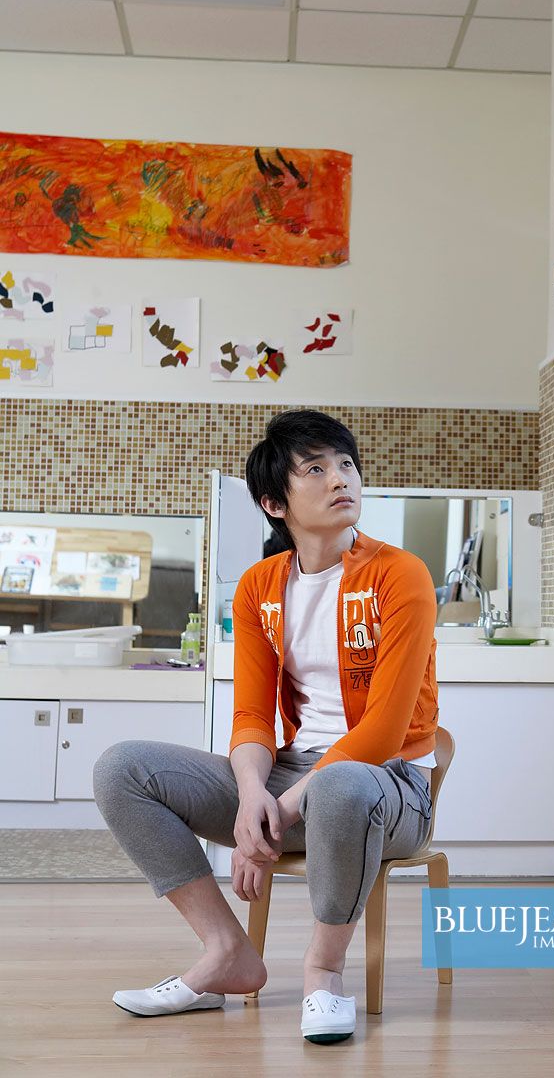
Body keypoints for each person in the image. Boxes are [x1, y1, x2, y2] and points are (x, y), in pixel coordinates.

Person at [93, 409, 439, 1044]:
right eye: (317, 468)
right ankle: (226, 951)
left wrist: (271, 817)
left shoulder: (400, 574)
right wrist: (254, 797)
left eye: (346, 464)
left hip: (387, 786)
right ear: (274, 502)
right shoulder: (259, 587)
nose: (341, 479)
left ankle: (323, 973)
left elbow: (385, 732)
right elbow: (252, 716)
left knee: (341, 785)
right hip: (291, 774)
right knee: (122, 769)